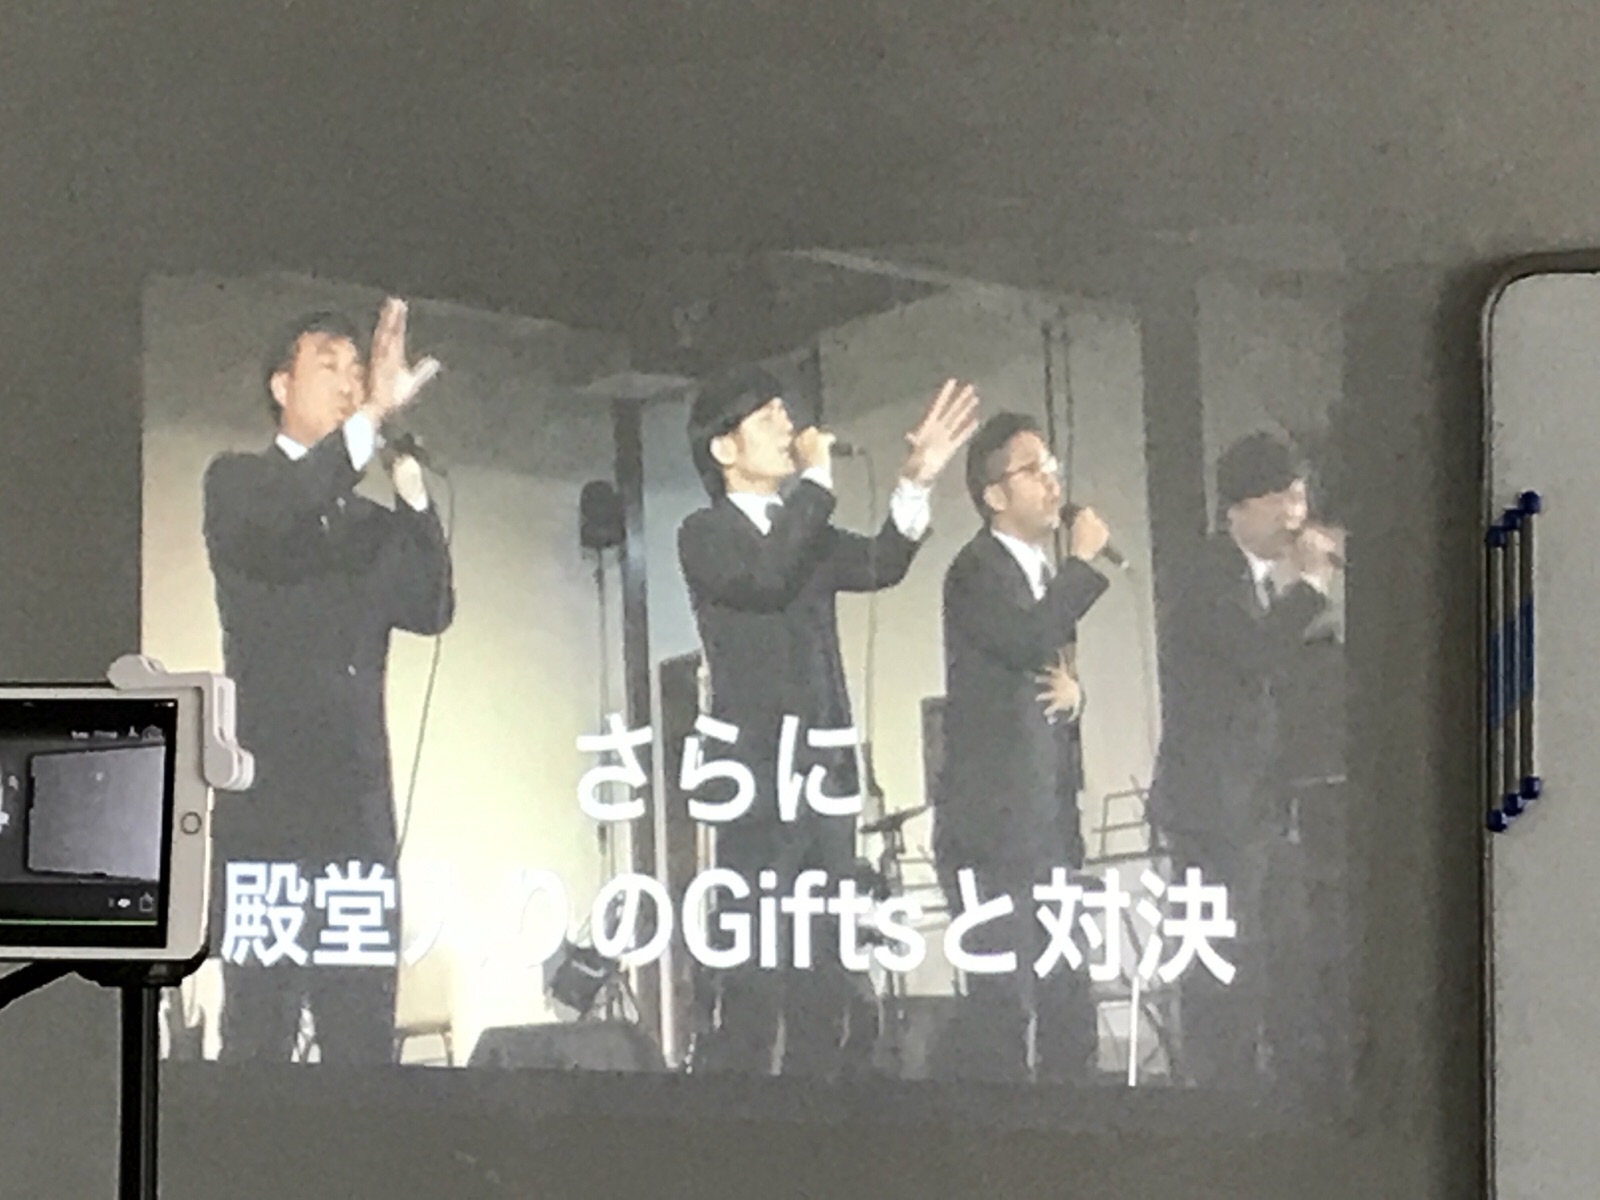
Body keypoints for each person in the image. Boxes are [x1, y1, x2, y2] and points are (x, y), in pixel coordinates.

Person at [677, 365, 978, 1077]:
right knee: (757, 964)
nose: (788, 425)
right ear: (723, 448)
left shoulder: (802, 531)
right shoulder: (706, 533)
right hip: (756, 778)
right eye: (769, 416)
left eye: (787, 413)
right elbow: (767, 575)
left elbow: (880, 562)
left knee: (825, 963)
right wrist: (815, 481)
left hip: (823, 777)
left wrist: (915, 481)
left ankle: (823, 1104)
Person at [202, 299, 455, 1064]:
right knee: (260, 1036)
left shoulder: (366, 524)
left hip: (357, 815)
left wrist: (410, 489)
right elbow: (287, 509)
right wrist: (371, 417)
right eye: (330, 367)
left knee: (362, 1040)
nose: (350, 384)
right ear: (281, 385)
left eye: (357, 371)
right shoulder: (239, 483)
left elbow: (430, 606)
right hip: (270, 812)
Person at [1145, 429, 1340, 1094]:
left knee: (1282, 962)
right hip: (1212, 811)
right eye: (1281, 497)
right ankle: (1221, 1102)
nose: (1296, 512)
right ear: (1238, 508)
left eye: (1301, 495)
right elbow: (1255, 655)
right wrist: (1310, 585)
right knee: (1224, 971)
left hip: (1258, 806)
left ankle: (1280, 1092)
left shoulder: (1253, 580)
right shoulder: (1204, 576)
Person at [930, 411, 1113, 1084]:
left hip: (1049, 826)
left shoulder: (1042, 577)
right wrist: (1083, 565)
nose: (1052, 481)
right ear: (994, 494)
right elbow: (1024, 640)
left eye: (1052, 466)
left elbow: (1045, 676)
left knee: (1069, 999)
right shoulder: (976, 570)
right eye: (1033, 470)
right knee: (1003, 1008)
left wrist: (1079, 697)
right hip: (992, 830)